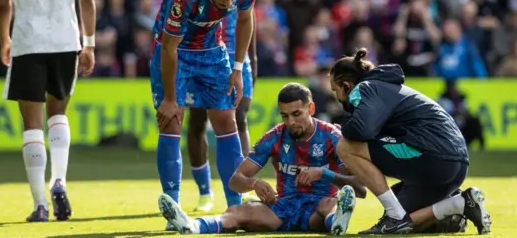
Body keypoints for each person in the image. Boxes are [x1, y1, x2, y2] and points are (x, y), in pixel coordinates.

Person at [0, 0, 96, 222]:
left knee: (32, 124)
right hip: (66, 40)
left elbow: (2, 1)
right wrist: (90, 43)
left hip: (28, 40)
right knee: (58, 115)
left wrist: (4, 39)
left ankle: (39, 203)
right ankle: (60, 181)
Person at [158, 83, 365, 235]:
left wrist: (323, 173)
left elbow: (359, 189)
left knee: (331, 204)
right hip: (282, 209)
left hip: (317, 210)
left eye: (296, 114)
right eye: (285, 116)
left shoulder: (332, 136)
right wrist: (253, 183)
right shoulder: (274, 136)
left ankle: (336, 222)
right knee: (238, 211)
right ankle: (193, 226)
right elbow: (235, 180)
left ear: (310, 109)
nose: (291, 122)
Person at [330, 49, 491, 235]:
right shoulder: (384, 88)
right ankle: (460, 203)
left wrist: (344, 128)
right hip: (455, 163)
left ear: (347, 86)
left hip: (432, 155)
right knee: (405, 220)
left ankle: (394, 216)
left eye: (336, 90)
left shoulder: (366, 88)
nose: (337, 97)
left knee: (345, 146)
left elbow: (361, 129)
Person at [150, 0, 255, 226]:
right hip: (175, 50)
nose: (227, 3)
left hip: (212, 51)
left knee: (227, 121)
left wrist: (238, 68)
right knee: (171, 121)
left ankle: (236, 207)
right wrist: (172, 100)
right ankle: (172, 209)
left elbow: (245, 20)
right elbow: (170, 48)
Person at [172, 0, 258, 212]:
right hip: (199, 48)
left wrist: (252, 57)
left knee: (239, 116)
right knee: (196, 120)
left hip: (235, 50)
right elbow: (177, 1)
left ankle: (242, 189)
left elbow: (250, 11)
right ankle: (205, 192)